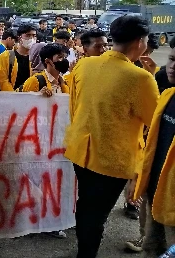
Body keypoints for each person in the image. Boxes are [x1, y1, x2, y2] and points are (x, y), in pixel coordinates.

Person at [65, 15, 159, 258]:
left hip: (80, 150)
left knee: (86, 204)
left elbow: (74, 107)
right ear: (140, 42)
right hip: (111, 160)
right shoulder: (140, 78)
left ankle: (84, 249)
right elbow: (155, 121)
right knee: (96, 213)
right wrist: (153, 77)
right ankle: (86, 253)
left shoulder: (85, 65)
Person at [132, 41, 175, 257]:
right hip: (155, 189)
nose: (173, 66)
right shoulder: (168, 96)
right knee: (151, 248)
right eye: (172, 59)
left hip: (173, 199)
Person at [0, 24, 36, 91]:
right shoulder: (6, 56)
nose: (31, 39)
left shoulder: (36, 58)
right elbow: (3, 80)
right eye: (28, 35)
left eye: (34, 36)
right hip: (11, 97)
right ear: (19, 38)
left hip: (30, 98)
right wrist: (15, 96)